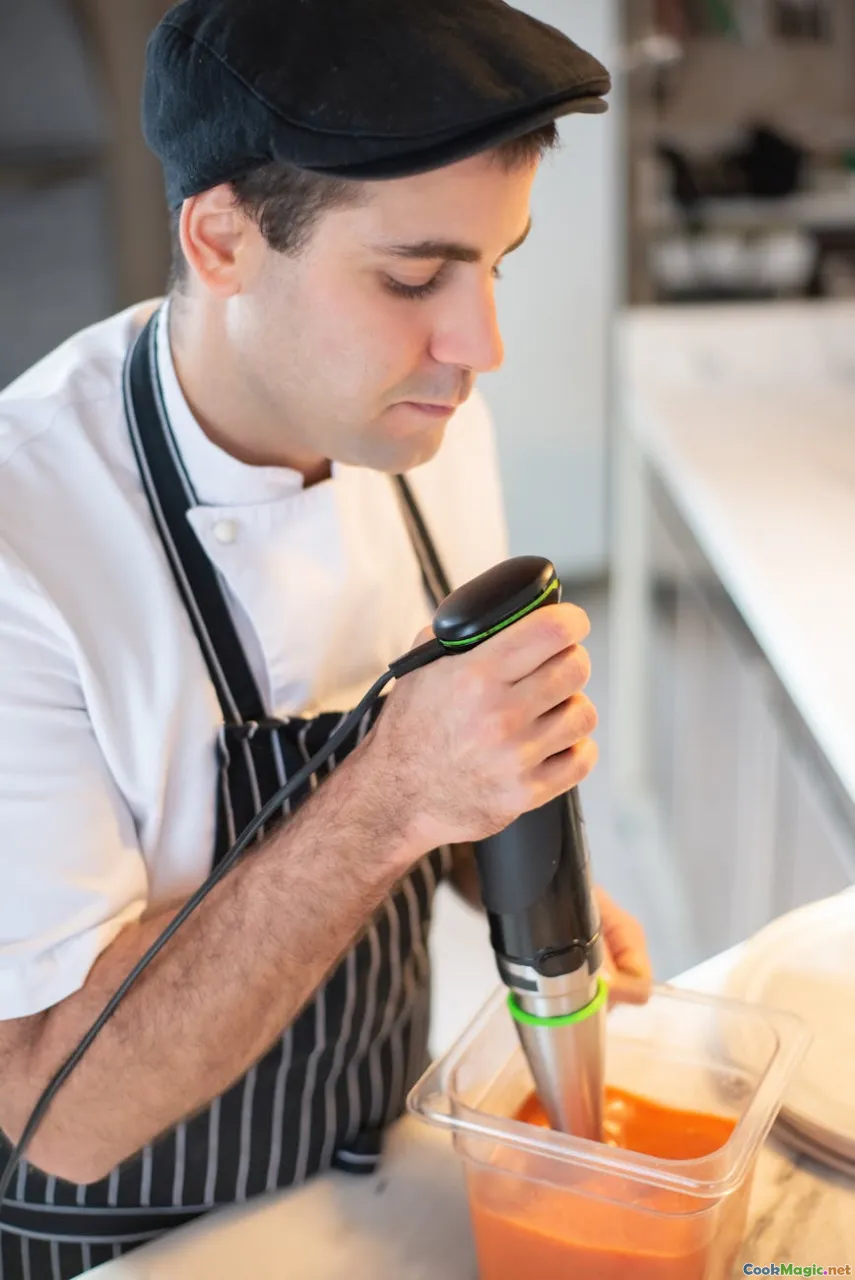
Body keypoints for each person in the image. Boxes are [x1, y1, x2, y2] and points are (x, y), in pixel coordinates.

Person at [0, 0, 651, 1274]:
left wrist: (516, 859)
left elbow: (449, 772)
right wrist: (395, 792)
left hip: (359, 1178)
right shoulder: (26, 541)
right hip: (121, 1242)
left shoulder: (423, 413)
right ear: (224, 238)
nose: (480, 348)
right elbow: (56, 1113)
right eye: (413, 277)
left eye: (495, 264)